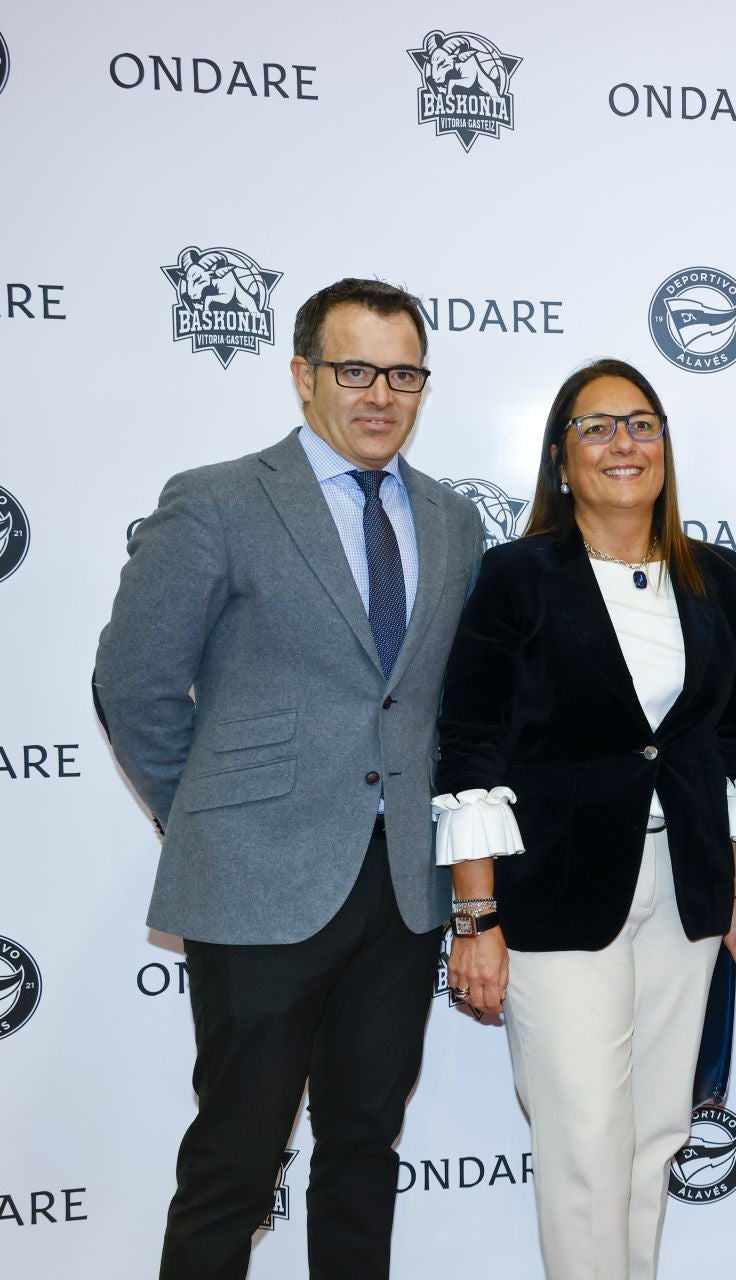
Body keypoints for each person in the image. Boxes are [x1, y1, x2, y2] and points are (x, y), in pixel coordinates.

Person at [92, 278, 485, 1279]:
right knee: (236, 1155)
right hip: (255, 885)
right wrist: (212, 817)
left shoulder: (450, 520)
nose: (379, 393)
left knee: (362, 1151)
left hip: (402, 890)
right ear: (304, 374)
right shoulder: (218, 498)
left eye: (403, 372)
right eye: (354, 369)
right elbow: (133, 683)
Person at [433, 358, 736, 1279]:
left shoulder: (718, 578)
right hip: (554, 893)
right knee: (584, 1136)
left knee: (656, 1134)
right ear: (559, 459)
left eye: (642, 424)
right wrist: (476, 916)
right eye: (597, 427)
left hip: (687, 889)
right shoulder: (517, 577)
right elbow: (470, 747)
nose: (624, 443)